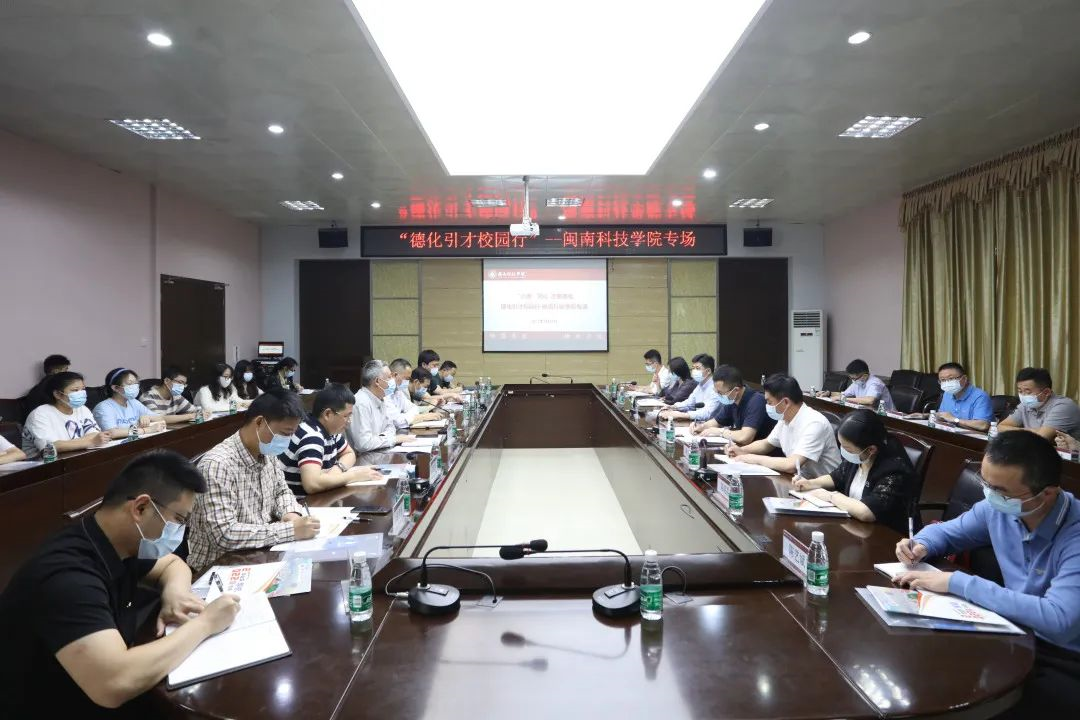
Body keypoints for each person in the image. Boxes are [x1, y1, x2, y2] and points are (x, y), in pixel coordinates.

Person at [0, 450, 241, 717]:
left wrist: (176, 593)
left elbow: (172, 565)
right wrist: (205, 624)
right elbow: (114, 682)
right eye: (179, 520)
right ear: (141, 508)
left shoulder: (118, 541)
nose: (181, 531)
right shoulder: (67, 576)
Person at [895, 432, 1080, 717]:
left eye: (1001, 491)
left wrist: (958, 583)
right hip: (1014, 631)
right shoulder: (997, 509)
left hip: (1063, 656)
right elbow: (948, 533)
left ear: (1047, 493)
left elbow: (1059, 620)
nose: (990, 496)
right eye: (986, 484)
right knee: (922, 667)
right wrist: (920, 545)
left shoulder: (1074, 534)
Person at [187, 391, 320, 572]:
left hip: (258, 555)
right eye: (284, 434)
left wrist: (290, 513)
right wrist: (290, 530)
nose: (287, 441)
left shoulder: (266, 451)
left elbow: (281, 491)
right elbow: (225, 534)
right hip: (217, 568)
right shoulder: (217, 465)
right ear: (259, 423)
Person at [791, 409, 916, 533]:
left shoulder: (895, 469)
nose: (843, 451)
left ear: (871, 449)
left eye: (848, 449)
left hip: (885, 536)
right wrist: (810, 483)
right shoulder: (859, 456)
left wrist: (830, 496)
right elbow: (836, 477)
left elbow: (866, 512)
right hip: (854, 527)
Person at [726, 373, 842, 477]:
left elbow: (792, 465)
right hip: (801, 480)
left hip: (824, 487)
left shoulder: (814, 423)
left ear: (786, 402)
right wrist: (741, 450)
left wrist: (752, 458)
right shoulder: (784, 419)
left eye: (769, 402)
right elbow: (766, 444)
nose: (767, 406)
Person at [279, 384, 383, 496]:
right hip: (302, 502)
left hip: (320, 497)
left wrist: (337, 470)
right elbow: (312, 484)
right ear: (328, 414)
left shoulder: (330, 430)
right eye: (346, 416)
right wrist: (354, 476)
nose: (349, 421)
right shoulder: (312, 436)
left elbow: (349, 453)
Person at [21, 372, 111, 454]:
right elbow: (50, 447)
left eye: (83, 389)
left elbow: (95, 434)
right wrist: (90, 442)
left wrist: (69, 444)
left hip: (77, 455)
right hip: (43, 463)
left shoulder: (82, 409)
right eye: (75, 390)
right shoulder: (39, 414)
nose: (81, 393)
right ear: (57, 394)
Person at [690, 364, 775, 444]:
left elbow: (745, 437)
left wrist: (720, 432)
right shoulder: (731, 400)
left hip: (764, 452)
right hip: (744, 449)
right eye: (716, 392)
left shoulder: (757, 401)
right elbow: (716, 422)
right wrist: (701, 426)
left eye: (720, 393)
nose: (718, 395)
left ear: (736, 390)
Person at [346, 360, 414, 453]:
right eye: (389, 377)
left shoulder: (381, 398)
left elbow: (391, 427)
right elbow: (364, 444)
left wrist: (382, 438)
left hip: (380, 451)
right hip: (363, 457)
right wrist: (393, 439)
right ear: (377, 381)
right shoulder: (361, 402)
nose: (393, 380)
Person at [999, 367, 1080, 441]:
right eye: (1020, 391)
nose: (1023, 396)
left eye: (1028, 392)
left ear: (1046, 392)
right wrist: (1032, 431)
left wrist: (1014, 430)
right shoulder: (1025, 405)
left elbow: (1040, 438)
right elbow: (1000, 427)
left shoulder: (1063, 406)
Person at [908, 362, 993, 431]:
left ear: (964, 379)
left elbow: (983, 425)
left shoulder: (980, 396)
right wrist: (925, 416)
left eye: (951, 379)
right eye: (943, 380)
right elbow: (944, 416)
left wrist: (955, 420)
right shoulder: (947, 393)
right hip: (952, 434)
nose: (947, 383)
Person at [92, 368, 164, 433]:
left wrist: (148, 417)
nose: (135, 386)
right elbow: (112, 433)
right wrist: (146, 430)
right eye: (130, 384)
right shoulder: (103, 407)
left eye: (136, 383)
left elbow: (160, 418)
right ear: (115, 388)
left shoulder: (133, 402)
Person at [659, 353, 719, 422]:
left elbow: (707, 413)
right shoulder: (700, 385)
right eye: (693, 368)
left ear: (708, 371)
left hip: (711, 425)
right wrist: (673, 407)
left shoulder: (716, 388)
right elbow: (689, 403)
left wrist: (681, 415)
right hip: (698, 423)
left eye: (697, 368)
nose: (694, 371)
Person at [385, 359, 441, 430]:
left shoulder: (398, 391)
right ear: (395, 375)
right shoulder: (386, 394)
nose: (408, 382)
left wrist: (406, 416)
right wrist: (423, 417)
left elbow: (413, 408)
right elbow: (398, 421)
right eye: (407, 378)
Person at [139, 366, 205, 425]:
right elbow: (158, 419)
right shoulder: (147, 397)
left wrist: (203, 412)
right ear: (166, 381)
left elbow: (195, 411)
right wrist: (190, 416)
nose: (182, 386)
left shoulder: (176, 396)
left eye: (184, 384)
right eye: (180, 382)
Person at [825, 359, 894, 411]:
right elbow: (843, 394)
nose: (852, 380)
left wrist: (843, 399)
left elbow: (869, 400)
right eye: (851, 378)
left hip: (889, 419)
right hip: (868, 414)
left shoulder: (875, 383)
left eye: (854, 378)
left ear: (865, 376)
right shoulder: (858, 381)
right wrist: (829, 393)